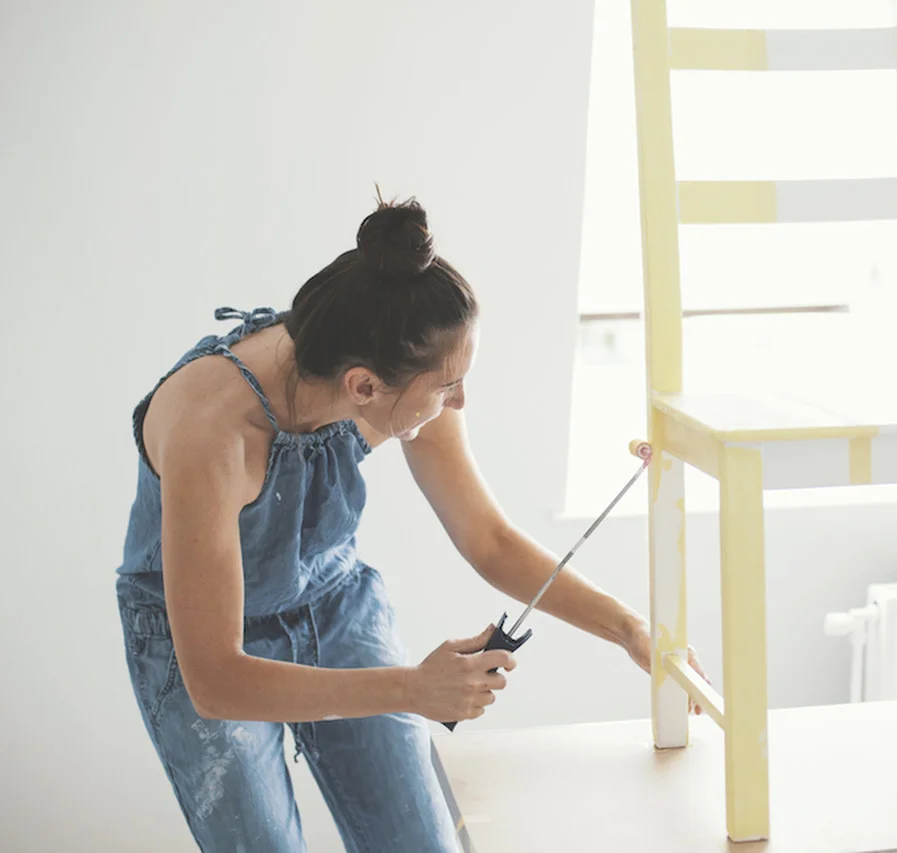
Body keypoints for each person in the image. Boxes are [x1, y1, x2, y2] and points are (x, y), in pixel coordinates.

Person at [114, 191, 705, 852]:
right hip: (200, 644)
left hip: (330, 599)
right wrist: (415, 688)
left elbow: (489, 539)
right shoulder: (211, 432)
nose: (460, 400)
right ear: (363, 387)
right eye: (448, 387)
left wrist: (628, 629)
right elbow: (217, 679)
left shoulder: (405, 358)